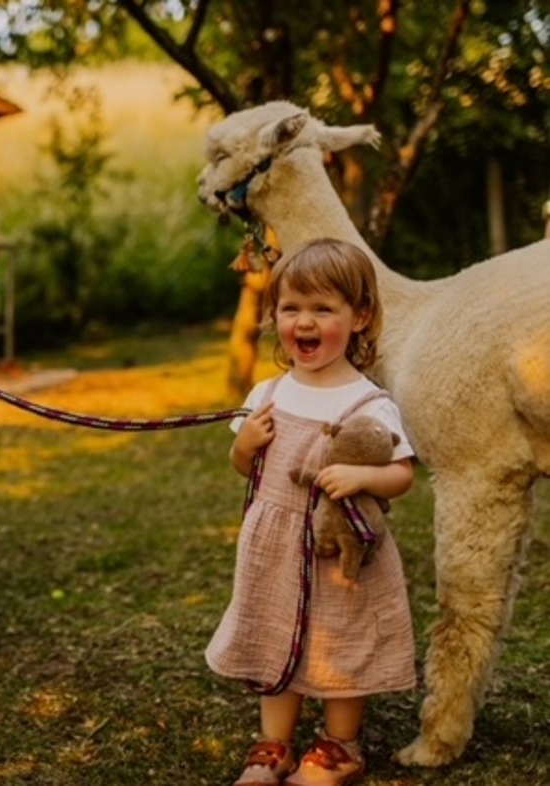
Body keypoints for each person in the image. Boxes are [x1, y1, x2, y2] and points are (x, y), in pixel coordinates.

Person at [206, 238, 417, 786]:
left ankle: (339, 747)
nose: (305, 322)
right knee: (273, 635)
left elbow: (403, 474)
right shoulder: (268, 393)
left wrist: (362, 477)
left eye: (323, 309)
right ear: (275, 315)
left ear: (360, 316)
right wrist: (245, 444)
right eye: (292, 308)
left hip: (339, 555)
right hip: (274, 547)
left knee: (340, 643)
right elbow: (243, 469)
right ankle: (273, 745)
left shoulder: (370, 402)